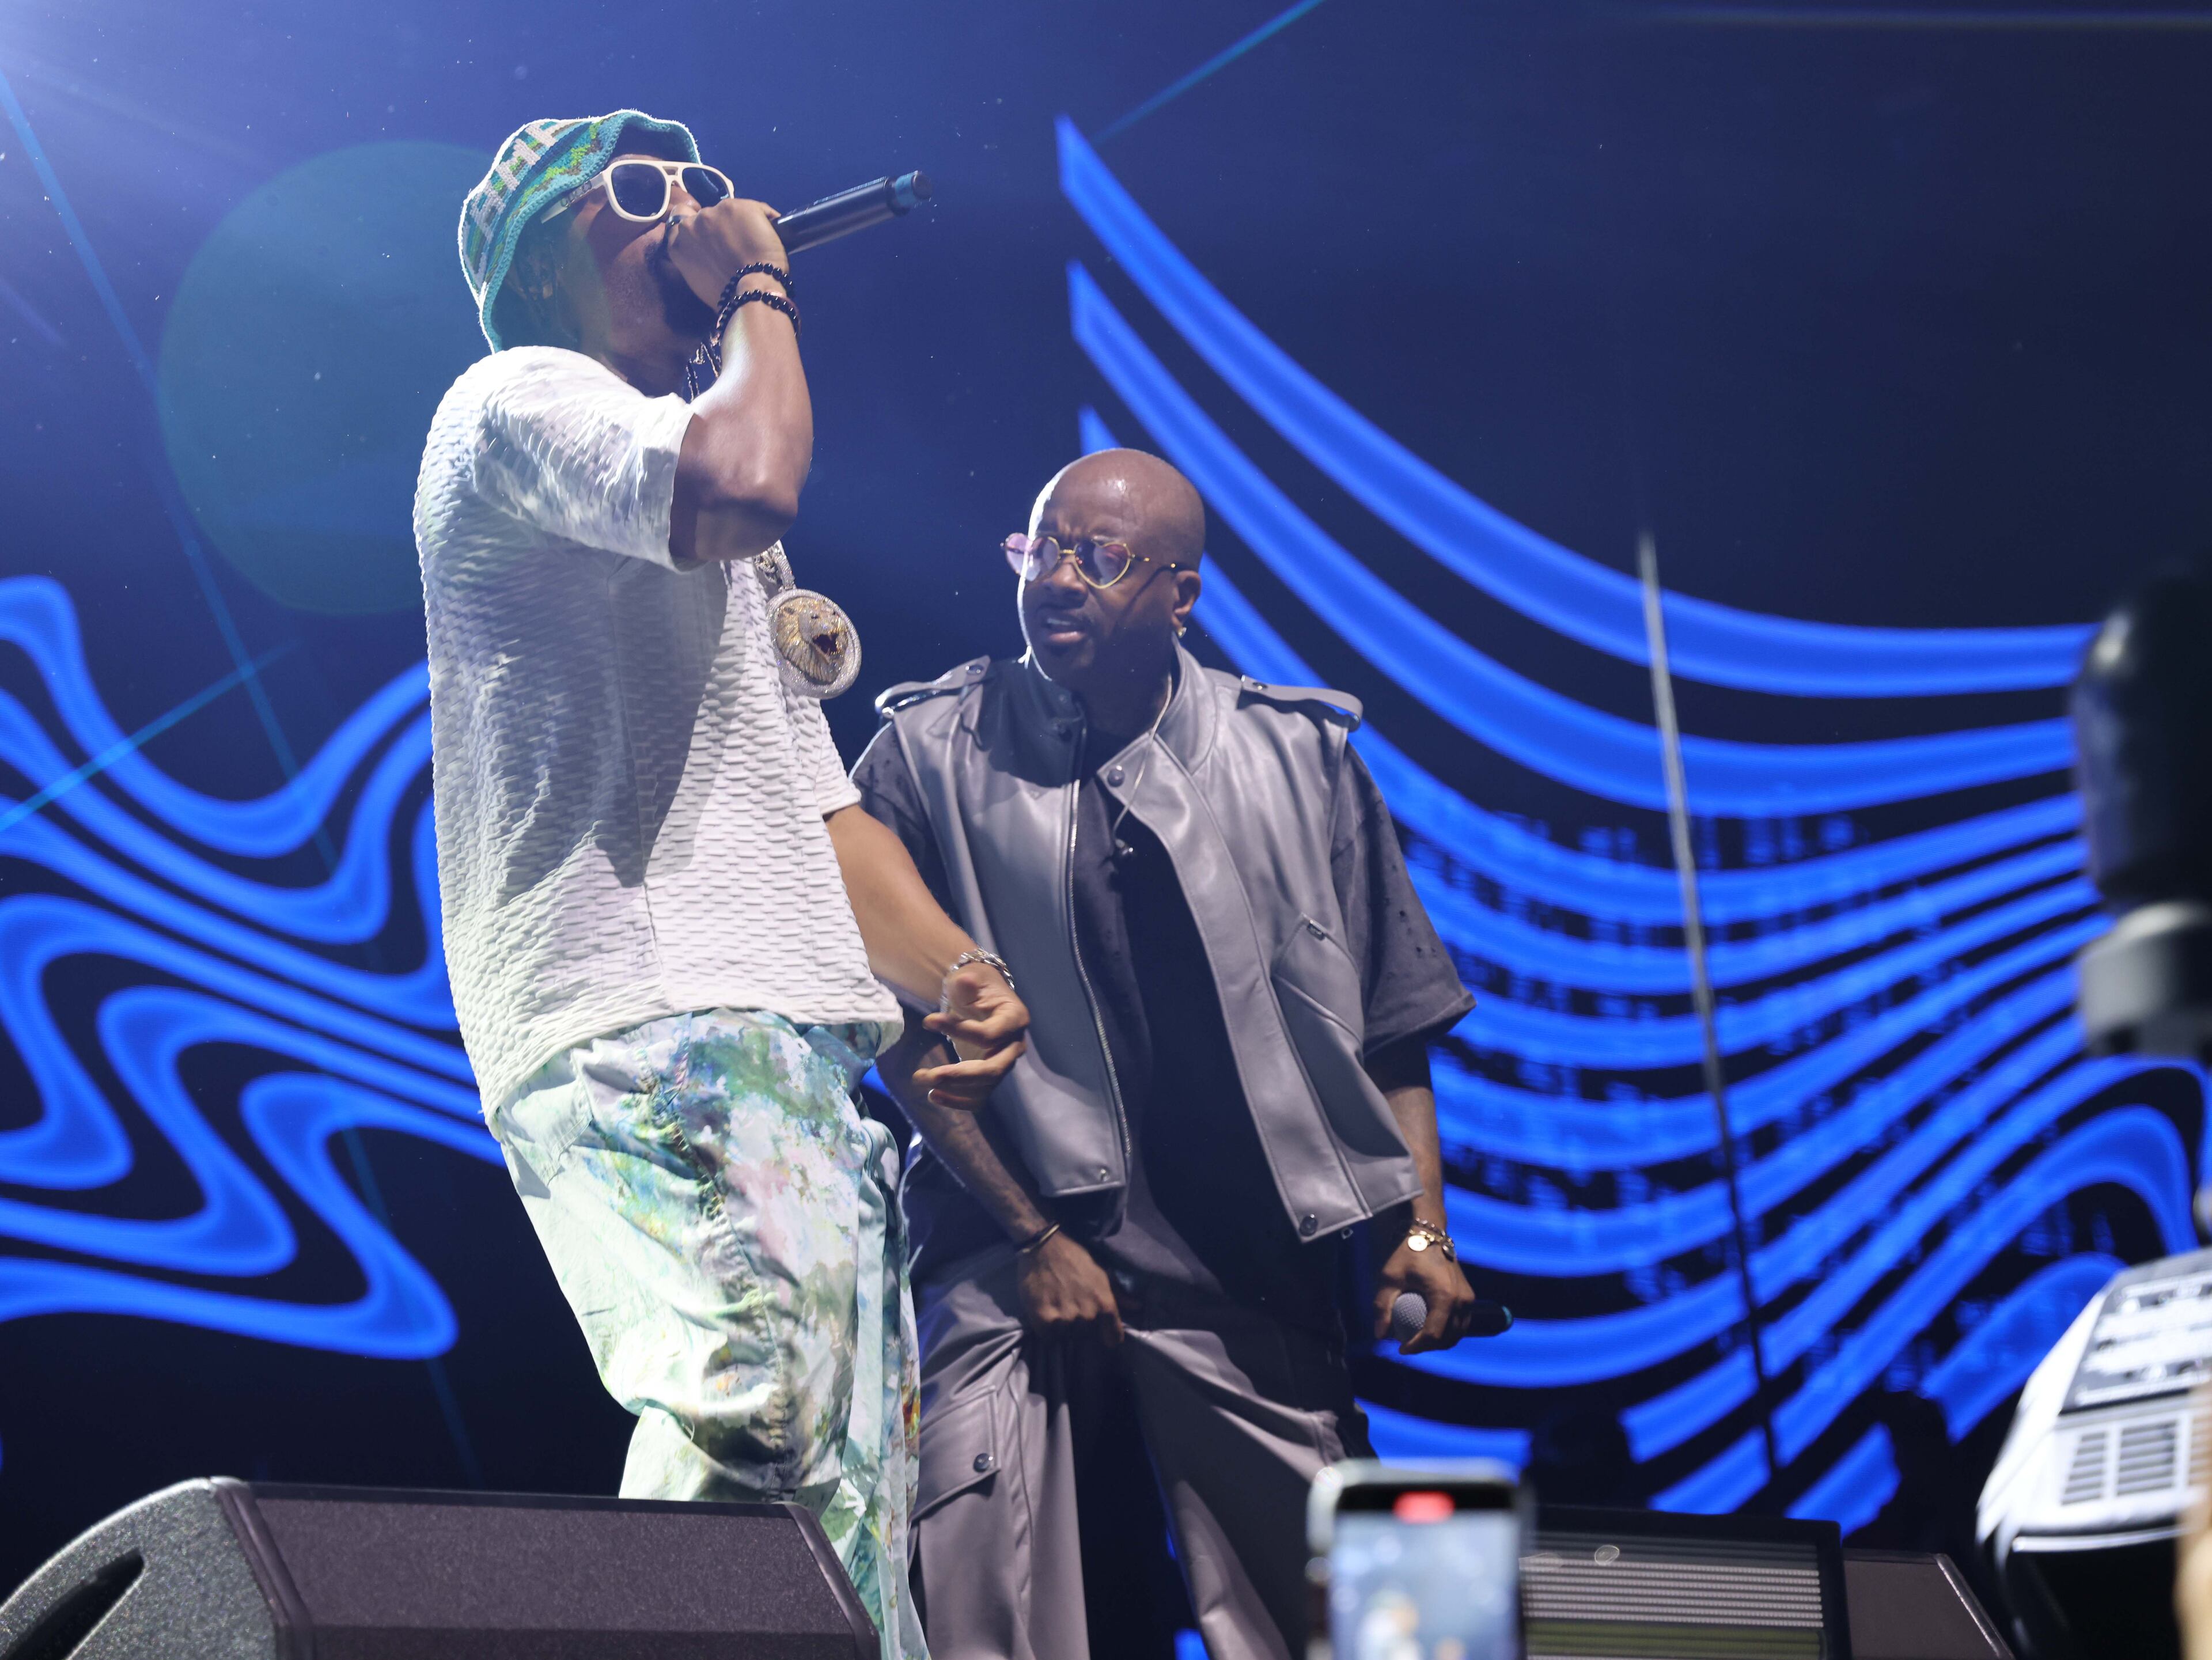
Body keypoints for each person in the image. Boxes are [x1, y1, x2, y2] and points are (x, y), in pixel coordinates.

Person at [418, 111, 1027, 1659]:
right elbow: (747, 479)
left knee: (839, 1494)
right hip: (652, 1011)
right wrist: (759, 280)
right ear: (540, 271)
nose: (684, 209)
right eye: (634, 197)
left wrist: (956, 970)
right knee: (760, 1409)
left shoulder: (695, 512)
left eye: (697, 185)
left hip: (775, 1033)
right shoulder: (521, 398)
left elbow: (816, 813)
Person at [850, 449, 1484, 1660]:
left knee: (1385, 1629)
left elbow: (1396, 1024)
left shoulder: (1301, 757)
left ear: (1180, 594)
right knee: (978, 1599)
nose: (1060, 580)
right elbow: (893, 1036)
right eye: (1043, 549)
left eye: (1103, 557)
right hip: (1007, 1251)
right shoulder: (925, 751)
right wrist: (1033, 1235)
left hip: (1247, 1265)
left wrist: (1424, 1229)